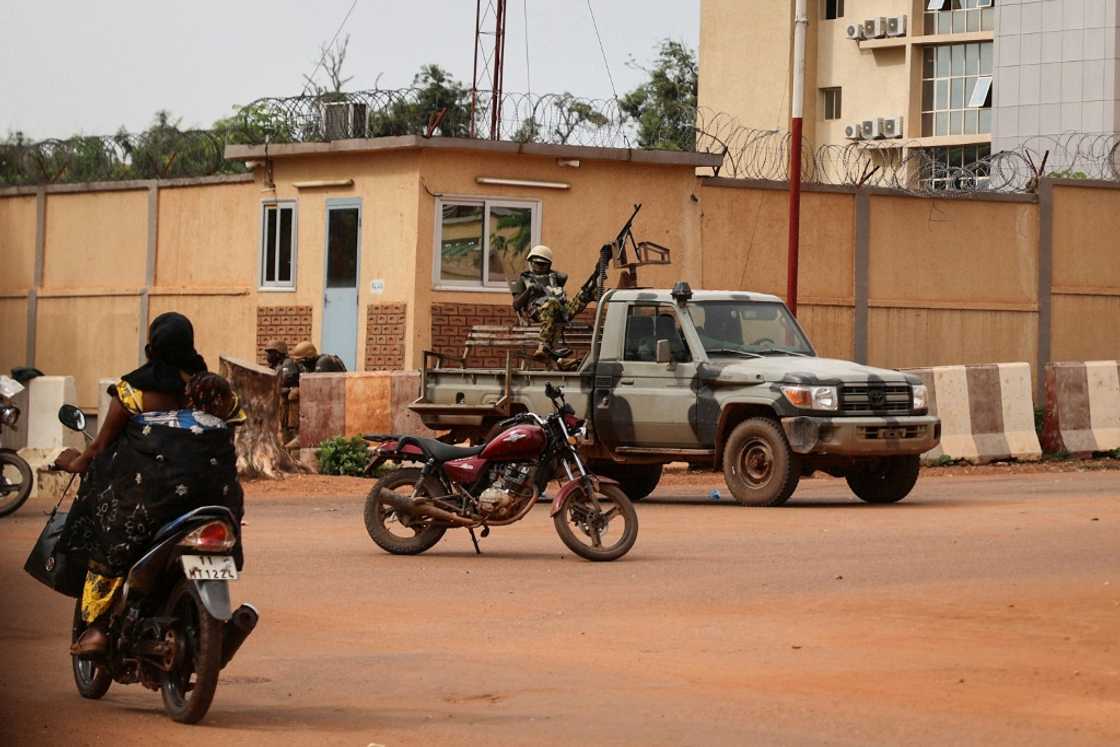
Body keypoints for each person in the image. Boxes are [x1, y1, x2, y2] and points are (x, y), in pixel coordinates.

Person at [55, 312, 245, 655]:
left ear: (152, 345)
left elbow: (99, 448)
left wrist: (71, 461)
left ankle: (97, 630)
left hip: (150, 501)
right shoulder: (212, 389)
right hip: (216, 498)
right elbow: (233, 424)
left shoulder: (134, 389)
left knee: (110, 542)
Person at [510, 245, 595, 368]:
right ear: (531, 262)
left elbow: (564, 277)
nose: (539, 267)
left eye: (543, 264)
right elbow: (516, 305)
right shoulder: (523, 279)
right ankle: (543, 347)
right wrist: (529, 290)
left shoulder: (554, 277)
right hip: (539, 311)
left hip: (561, 312)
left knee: (586, 294)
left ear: (548, 265)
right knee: (551, 303)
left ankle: (559, 360)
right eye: (536, 263)